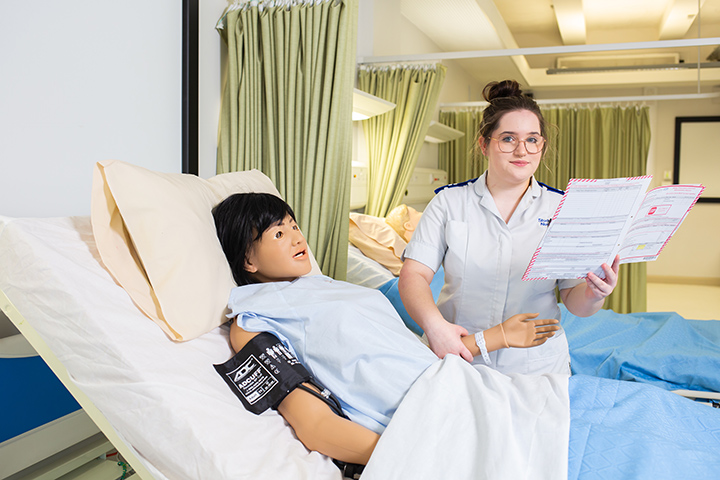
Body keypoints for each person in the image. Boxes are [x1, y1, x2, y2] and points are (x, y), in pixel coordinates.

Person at [212, 192, 560, 467]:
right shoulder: (254, 318)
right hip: (433, 419)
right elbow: (313, 425)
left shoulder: (327, 286)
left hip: (469, 389)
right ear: (248, 261)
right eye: (278, 232)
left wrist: (498, 336)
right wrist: (410, 456)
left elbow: (408, 356)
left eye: (293, 225)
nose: (295, 237)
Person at [398, 79, 620, 375]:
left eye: (532, 139)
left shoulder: (562, 209)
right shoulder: (449, 203)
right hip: (461, 352)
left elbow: (574, 301)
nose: (521, 150)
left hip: (536, 365)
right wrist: (435, 327)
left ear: (542, 146)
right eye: (507, 139)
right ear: (484, 144)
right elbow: (413, 274)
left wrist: (594, 294)